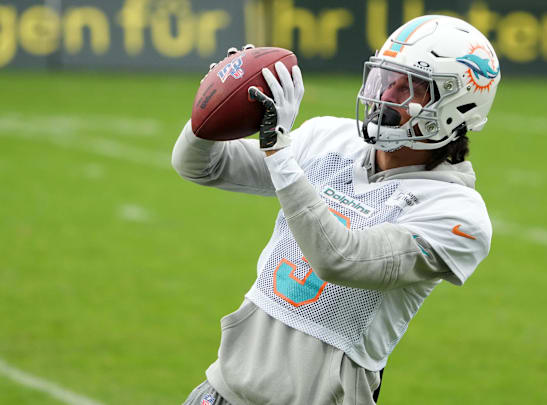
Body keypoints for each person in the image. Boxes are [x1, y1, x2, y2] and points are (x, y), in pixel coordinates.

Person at [173, 14, 500, 405]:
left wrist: (279, 153)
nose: (385, 96)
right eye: (385, 78)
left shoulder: (457, 215)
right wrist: (211, 104)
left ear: (457, 106)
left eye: (408, 87)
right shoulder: (331, 137)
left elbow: (341, 259)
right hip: (223, 391)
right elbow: (200, 165)